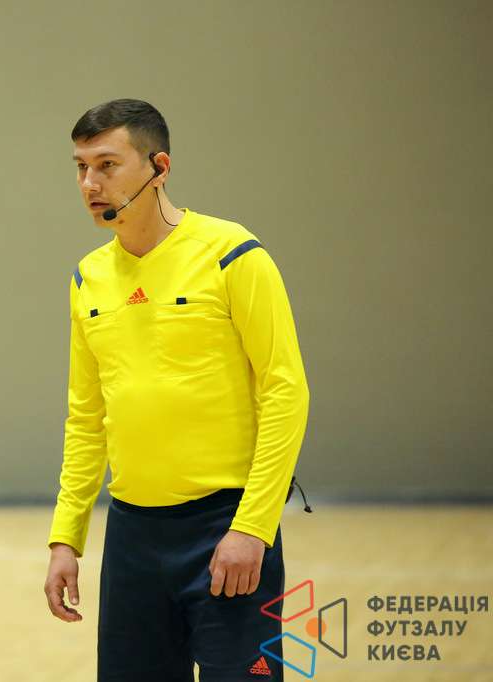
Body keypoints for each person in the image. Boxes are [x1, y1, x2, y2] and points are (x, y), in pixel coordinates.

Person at [43, 99, 309, 681]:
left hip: (227, 528)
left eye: (107, 165)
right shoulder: (88, 277)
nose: (90, 184)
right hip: (131, 539)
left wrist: (253, 527)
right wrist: (66, 538)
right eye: (81, 167)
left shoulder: (233, 254)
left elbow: (286, 392)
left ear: (158, 167)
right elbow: (86, 417)